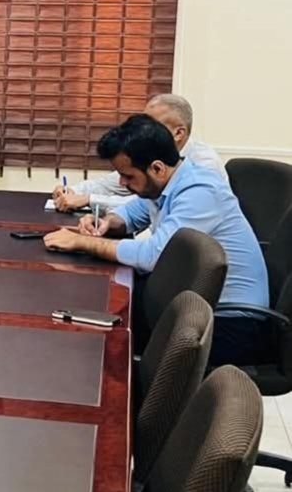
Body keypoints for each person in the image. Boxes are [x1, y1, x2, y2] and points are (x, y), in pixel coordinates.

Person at [43, 115, 269, 365]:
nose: (122, 183)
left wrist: (83, 242)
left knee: (99, 330)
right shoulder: (166, 183)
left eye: (128, 176)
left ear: (158, 168)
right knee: (92, 304)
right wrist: (106, 222)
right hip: (189, 301)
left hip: (230, 324)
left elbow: (154, 256)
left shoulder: (200, 192)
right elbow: (132, 212)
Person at [52, 94, 227, 212]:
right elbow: (113, 185)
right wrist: (73, 191)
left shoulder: (205, 166)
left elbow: (147, 204)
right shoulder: (147, 155)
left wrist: (89, 199)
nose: (142, 131)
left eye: (151, 126)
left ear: (179, 133)